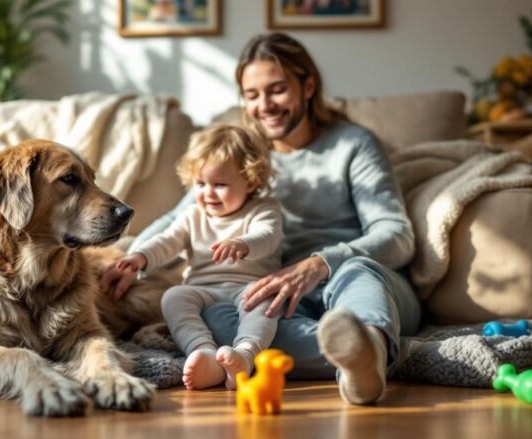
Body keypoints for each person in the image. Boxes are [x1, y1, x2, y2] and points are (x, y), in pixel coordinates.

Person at [100, 32, 421, 405]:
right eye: (252, 95)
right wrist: (131, 261)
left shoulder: (353, 144)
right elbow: (180, 219)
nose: (264, 105)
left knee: (357, 272)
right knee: (220, 322)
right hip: (278, 294)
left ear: (308, 86)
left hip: (356, 280)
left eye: (277, 89)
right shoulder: (239, 157)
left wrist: (319, 264)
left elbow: (397, 234)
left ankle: (373, 342)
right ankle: (367, 357)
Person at [113, 125, 284, 390]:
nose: (208, 193)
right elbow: (167, 241)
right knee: (174, 296)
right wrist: (141, 257)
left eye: (220, 185)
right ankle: (203, 352)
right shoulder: (193, 214)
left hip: (249, 286)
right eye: (201, 184)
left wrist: (244, 243)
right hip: (203, 289)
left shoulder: (263, 209)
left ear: (250, 181)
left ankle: (245, 354)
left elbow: (269, 235)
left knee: (267, 301)